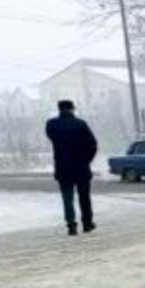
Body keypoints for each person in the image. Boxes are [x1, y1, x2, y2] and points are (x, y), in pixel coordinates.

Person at [45, 100, 98, 236]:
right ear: (72, 109)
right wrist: (87, 159)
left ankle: (71, 226)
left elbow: (51, 137)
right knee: (84, 197)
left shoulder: (52, 125)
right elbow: (92, 144)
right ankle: (87, 223)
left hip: (63, 167)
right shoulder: (80, 124)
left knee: (67, 197)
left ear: (59, 109)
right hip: (81, 166)